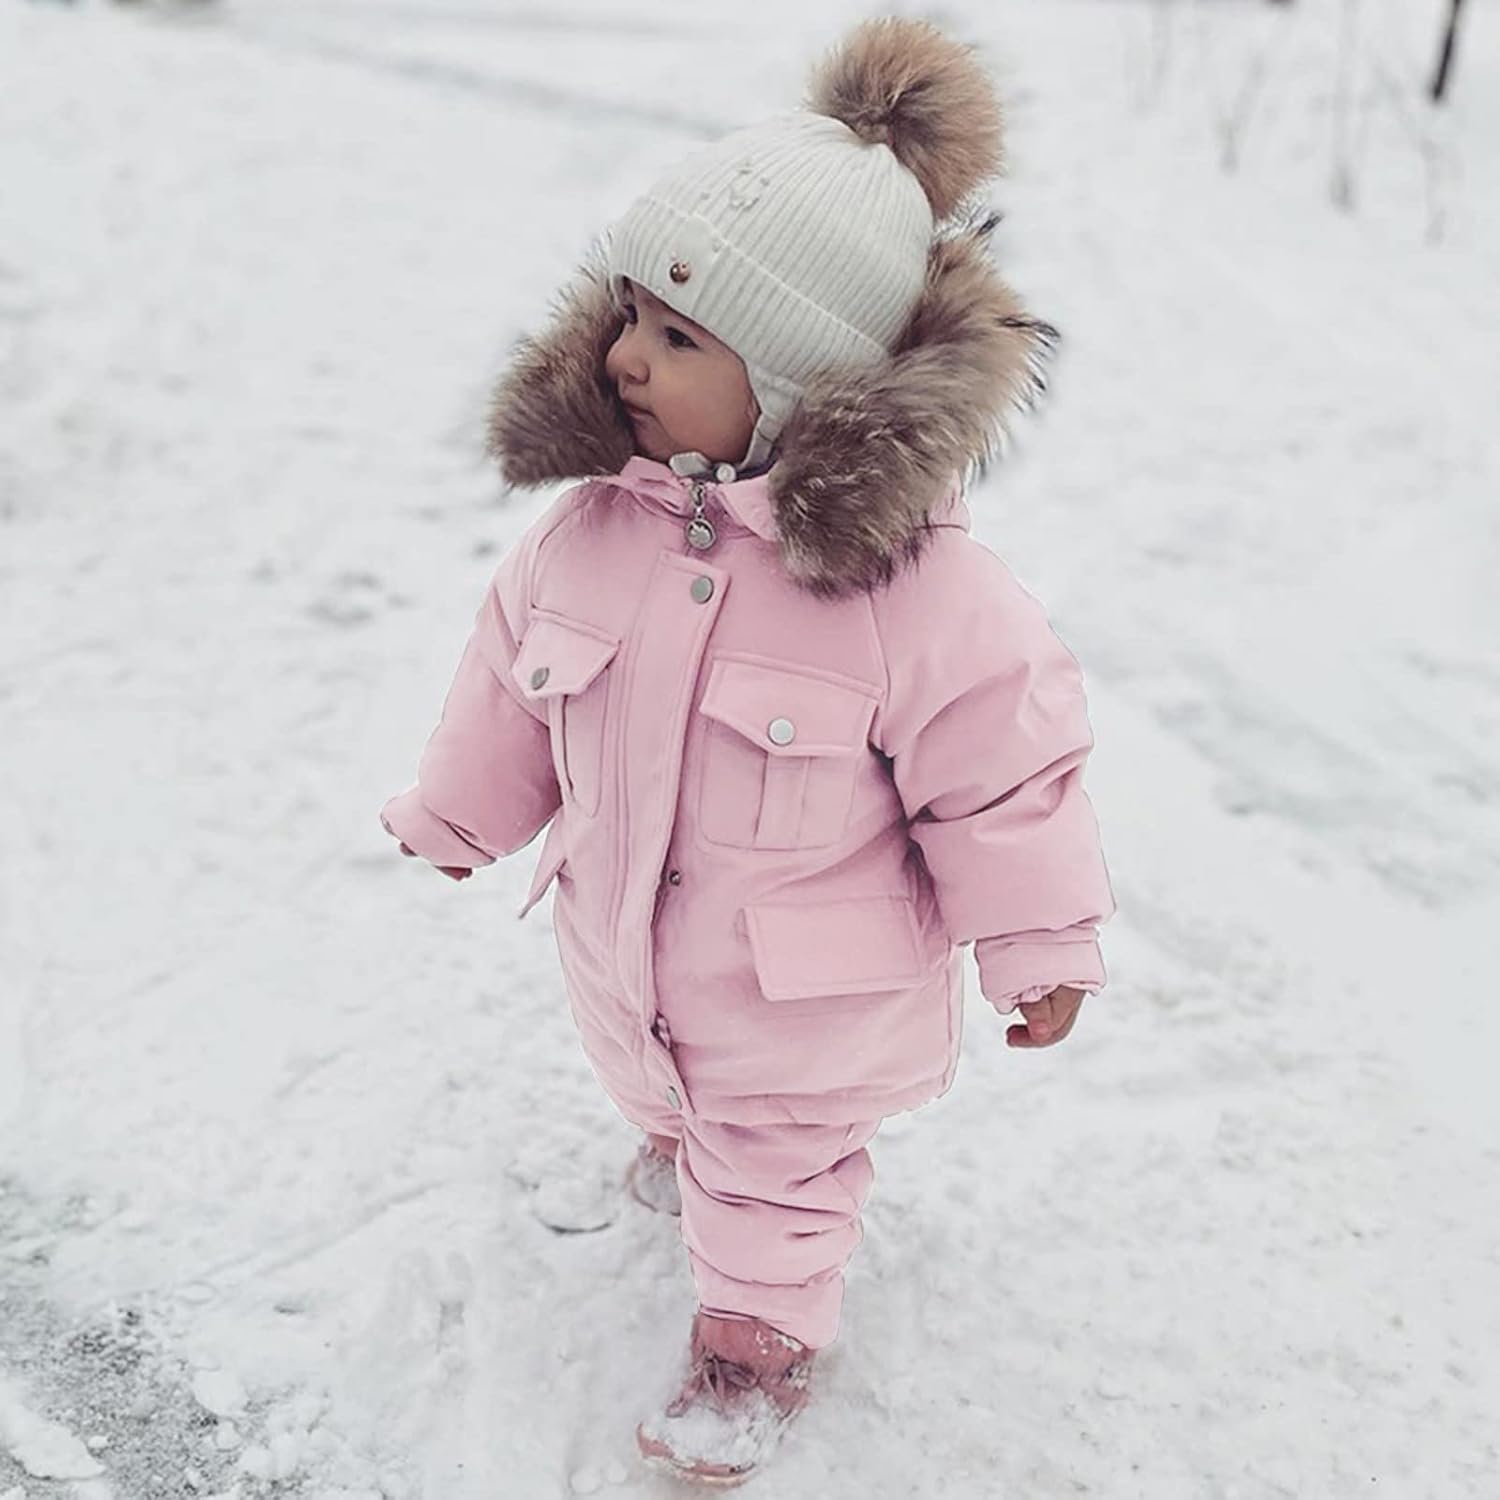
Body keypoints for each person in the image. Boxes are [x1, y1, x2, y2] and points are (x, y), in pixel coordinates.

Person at [380, 16, 1116, 1487]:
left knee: (775, 1176)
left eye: (679, 341)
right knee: (657, 1087)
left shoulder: (912, 590)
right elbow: (510, 680)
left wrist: (1039, 945)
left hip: (805, 1006)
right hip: (627, 956)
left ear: (792, 384)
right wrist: (460, 809)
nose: (625, 359)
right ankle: (676, 1138)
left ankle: (754, 1343)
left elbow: (1007, 775)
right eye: (632, 315)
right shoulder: (592, 531)